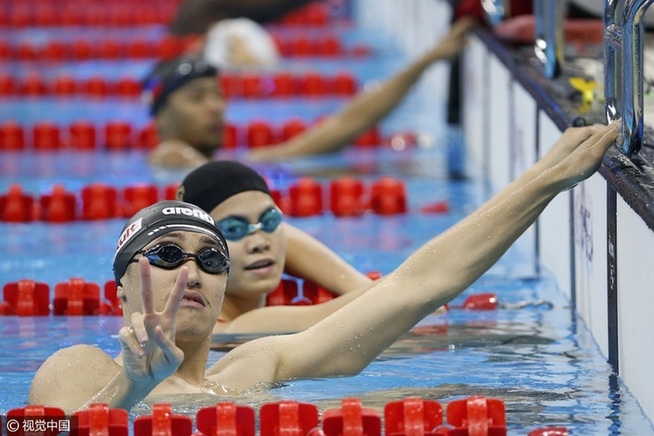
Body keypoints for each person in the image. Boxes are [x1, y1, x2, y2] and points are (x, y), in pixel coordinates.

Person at [27, 120, 620, 413]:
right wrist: (128, 388)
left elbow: (414, 287)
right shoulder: (77, 368)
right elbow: (29, 430)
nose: (192, 271)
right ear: (119, 292)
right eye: (165, 255)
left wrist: (546, 182)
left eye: (210, 258)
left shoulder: (254, 367)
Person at [143, 19, 473, 168]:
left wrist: (427, 61)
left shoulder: (223, 164)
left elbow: (342, 125)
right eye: (197, 98)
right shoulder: (171, 156)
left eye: (218, 94)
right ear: (161, 118)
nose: (216, 107)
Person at [177, 160, 374, 334]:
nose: (260, 243)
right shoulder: (225, 330)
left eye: (269, 220)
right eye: (234, 229)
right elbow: (377, 305)